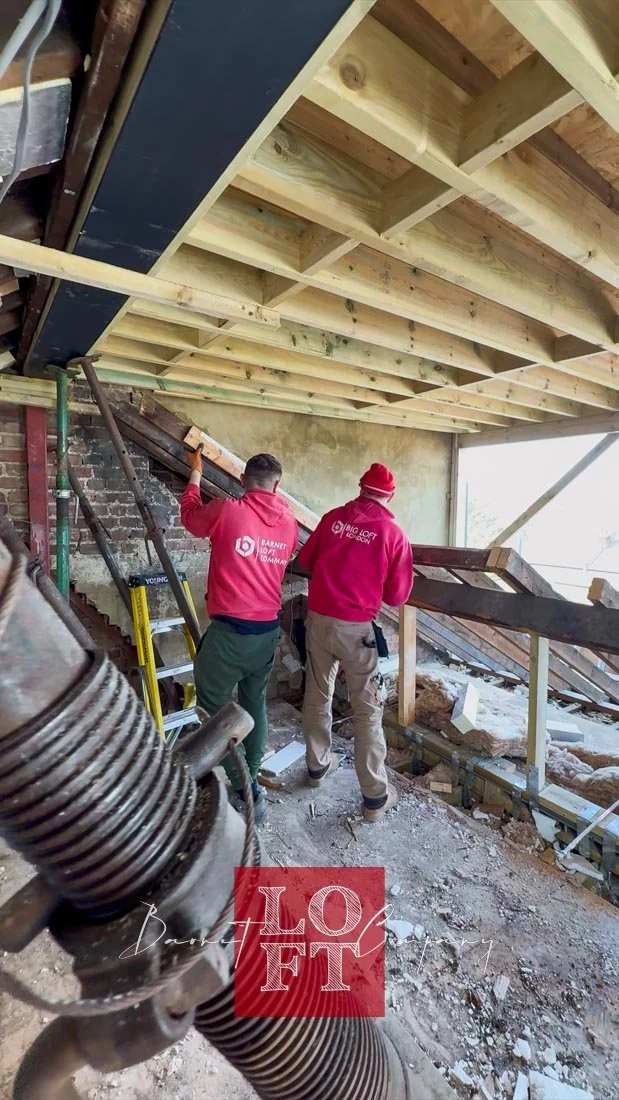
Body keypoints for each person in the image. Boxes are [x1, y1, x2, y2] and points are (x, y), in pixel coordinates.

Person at [181, 447, 299, 824]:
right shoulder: (290, 524)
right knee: (254, 703)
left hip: (231, 631)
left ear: (243, 480)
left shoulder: (228, 510)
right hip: (266, 633)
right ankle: (252, 777)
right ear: (277, 485)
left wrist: (196, 475)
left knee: (213, 709)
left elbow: (191, 519)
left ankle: (244, 787)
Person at [295, 463, 413, 822]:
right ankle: (375, 797)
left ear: (361, 488)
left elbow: (304, 560)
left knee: (317, 692)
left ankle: (317, 768)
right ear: (390, 496)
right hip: (356, 629)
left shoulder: (333, 519)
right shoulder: (393, 534)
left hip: (318, 619)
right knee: (367, 710)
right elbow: (397, 595)